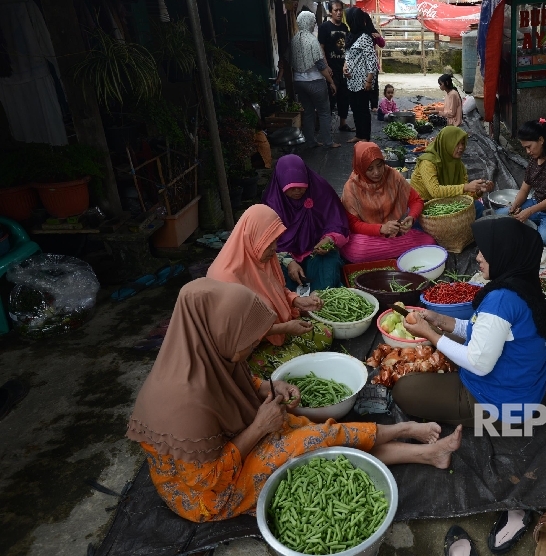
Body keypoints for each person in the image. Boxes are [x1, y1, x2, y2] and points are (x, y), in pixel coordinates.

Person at [126, 278, 463, 523]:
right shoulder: (183, 402)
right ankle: (415, 443)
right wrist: (259, 428)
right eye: (249, 339)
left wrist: (266, 387)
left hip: (228, 446)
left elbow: (239, 381)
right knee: (315, 440)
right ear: (219, 332)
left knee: (309, 431)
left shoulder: (204, 356)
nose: (254, 346)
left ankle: (417, 447)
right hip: (209, 494)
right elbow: (211, 479)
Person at [391, 217, 546, 426]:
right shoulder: (524, 285)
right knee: (444, 336)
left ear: (505, 254)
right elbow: (483, 329)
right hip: (526, 392)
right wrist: (439, 319)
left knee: (403, 389)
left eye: (485, 252)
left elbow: (478, 365)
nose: (478, 257)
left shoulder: (501, 301)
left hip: (500, 404)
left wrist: (431, 334)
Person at [206, 205, 328, 377]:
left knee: (325, 334)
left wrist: (296, 300)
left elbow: (278, 289)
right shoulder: (225, 277)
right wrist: (285, 327)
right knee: (296, 366)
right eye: (269, 242)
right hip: (247, 349)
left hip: (280, 328)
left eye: (276, 241)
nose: (274, 248)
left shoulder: (264, 258)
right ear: (251, 238)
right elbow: (237, 333)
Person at [261, 154, 350, 291]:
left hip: (316, 252)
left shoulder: (320, 190)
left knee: (326, 282)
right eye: (291, 188)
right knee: (281, 286)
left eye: (301, 186)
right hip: (284, 255)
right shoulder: (271, 202)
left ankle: (319, 299)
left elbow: (337, 221)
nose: (297, 191)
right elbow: (266, 242)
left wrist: (329, 239)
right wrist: (288, 261)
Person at [339, 142, 436, 263]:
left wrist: (411, 217)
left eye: (380, 165)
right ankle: (398, 248)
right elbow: (353, 224)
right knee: (358, 251)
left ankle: (387, 249)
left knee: (429, 241)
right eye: (370, 169)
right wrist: (381, 229)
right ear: (360, 168)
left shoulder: (392, 175)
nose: (377, 172)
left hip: (395, 231)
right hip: (367, 237)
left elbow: (416, 200)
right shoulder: (351, 187)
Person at [495, 118, 546, 245]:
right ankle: (529, 225)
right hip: (536, 204)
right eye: (525, 148)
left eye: (529, 147)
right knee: (499, 215)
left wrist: (529, 211)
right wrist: (515, 205)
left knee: (542, 239)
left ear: (541, 140)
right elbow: (524, 189)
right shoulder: (534, 161)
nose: (528, 152)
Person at [409, 125, 493, 219]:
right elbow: (435, 191)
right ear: (446, 143)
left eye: (463, 143)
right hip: (424, 203)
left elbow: (462, 195)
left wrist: (478, 191)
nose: (461, 147)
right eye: (457, 144)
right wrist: (466, 187)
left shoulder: (458, 165)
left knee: (477, 207)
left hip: (444, 202)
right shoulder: (428, 162)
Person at [291, 11, 340, 149]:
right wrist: (331, 81)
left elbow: (285, 60)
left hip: (299, 82)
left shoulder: (294, 39)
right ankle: (328, 142)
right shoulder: (313, 40)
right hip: (315, 82)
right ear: (310, 23)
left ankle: (310, 141)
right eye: (313, 21)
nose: (314, 24)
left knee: (308, 112)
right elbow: (320, 66)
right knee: (324, 112)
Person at [343, 6, 377, 143]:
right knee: (355, 109)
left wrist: (369, 81)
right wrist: (345, 66)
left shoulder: (365, 37)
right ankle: (359, 134)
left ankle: (365, 137)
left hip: (363, 81)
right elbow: (348, 55)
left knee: (363, 110)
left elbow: (372, 61)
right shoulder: (350, 35)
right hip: (351, 80)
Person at [318, 1, 352, 134]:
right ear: (330, 12)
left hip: (343, 68)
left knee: (345, 97)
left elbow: (348, 48)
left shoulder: (345, 28)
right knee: (330, 99)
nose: (339, 12)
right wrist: (326, 66)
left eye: (340, 10)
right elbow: (321, 48)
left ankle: (343, 124)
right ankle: (328, 127)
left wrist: (347, 64)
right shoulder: (324, 28)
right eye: (336, 10)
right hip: (330, 70)